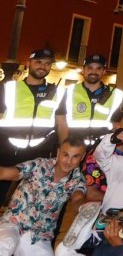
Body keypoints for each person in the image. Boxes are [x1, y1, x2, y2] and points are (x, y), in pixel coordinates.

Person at [0, 135, 87, 256]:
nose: (68, 161)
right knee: (4, 245)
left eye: (75, 156)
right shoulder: (38, 165)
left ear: (82, 157)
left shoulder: (78, 180)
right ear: (58, 152)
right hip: (12, 224)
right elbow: (6, 173)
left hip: (39, 235)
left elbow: (78, 198)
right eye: (65, 154)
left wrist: (84, 208)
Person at [0, 48, 68, 198]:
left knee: (29, 200)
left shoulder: (58, 92)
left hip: (39, 155)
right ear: (29, 63)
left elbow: (62, 122)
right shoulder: (9, 88)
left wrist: (64, 149)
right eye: (38, 62)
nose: (42, 66)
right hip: (7, 152)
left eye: (47, 63)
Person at [64, 54, 123, 145]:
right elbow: (61, 120)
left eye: (98, 69)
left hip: (103, 146)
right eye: (90, 68)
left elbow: (121, 122)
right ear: (83, 70)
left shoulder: (116, 94)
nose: (94, 72)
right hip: (74, 145)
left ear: (104, 71)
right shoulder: (69, 91)